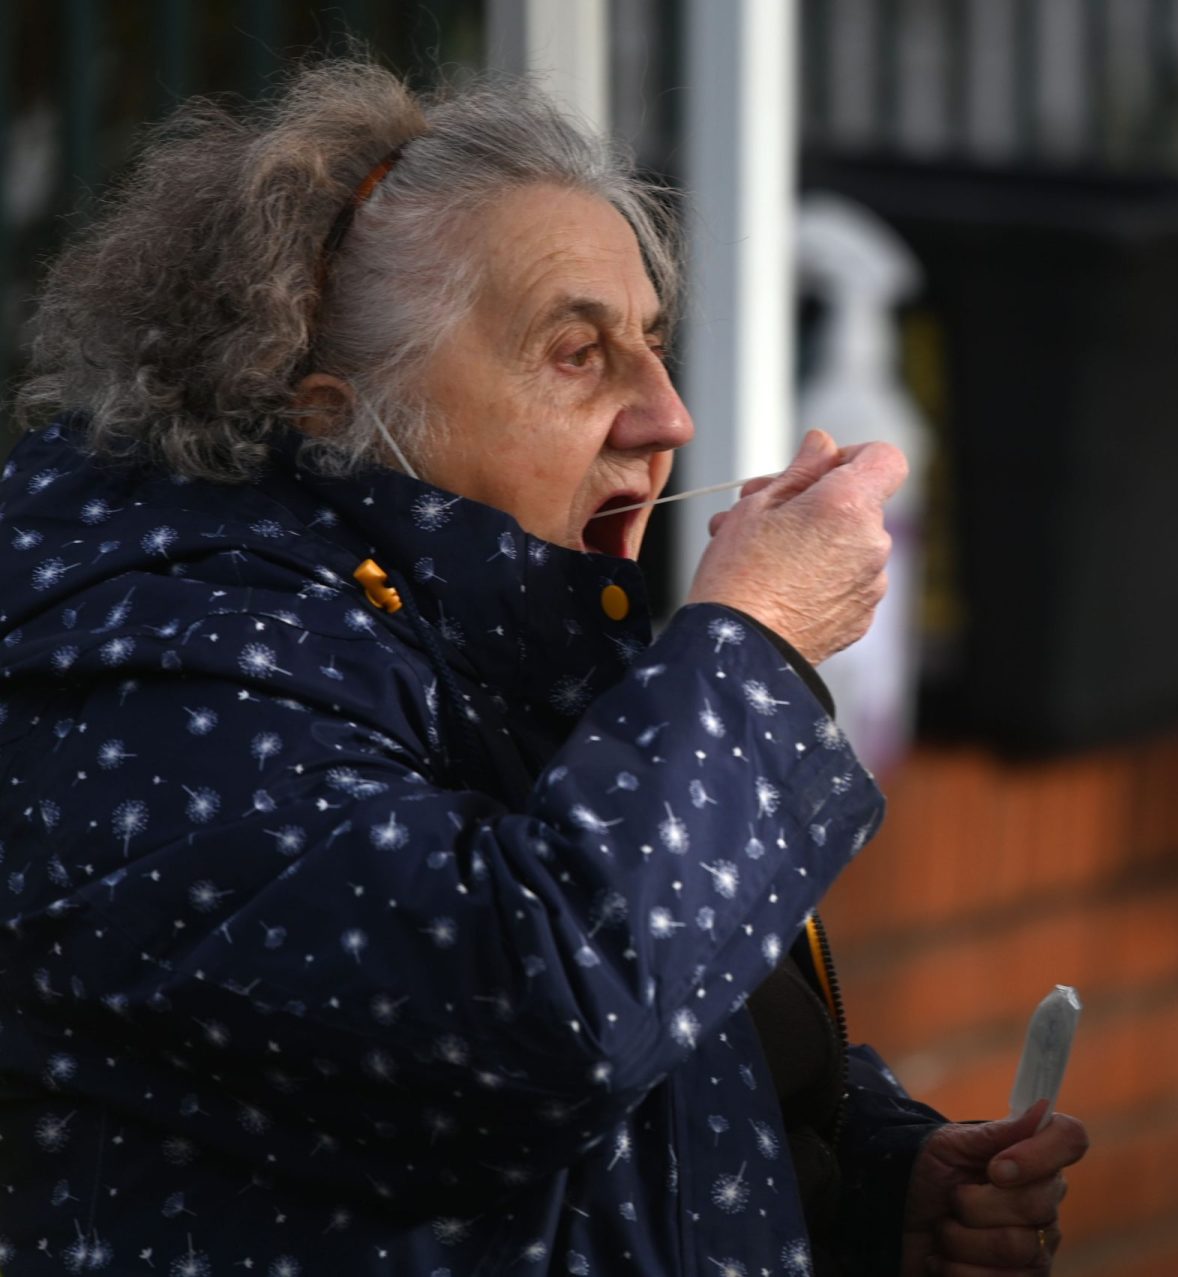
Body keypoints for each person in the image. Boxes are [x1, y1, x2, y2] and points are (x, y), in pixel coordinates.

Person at [0, 60, 1086, 1276]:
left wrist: (873, 1180)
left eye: (655, 344)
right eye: (579, 352)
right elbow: (525, 1017)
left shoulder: (498, 644)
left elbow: (669, 1058)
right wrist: (758, 638)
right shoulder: (154, 682)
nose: (668, 414)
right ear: (334, 411)